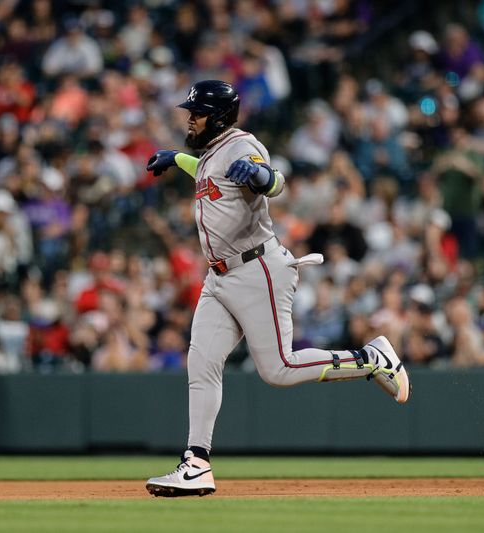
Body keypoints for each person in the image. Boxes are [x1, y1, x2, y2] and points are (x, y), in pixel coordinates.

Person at [143, 80, 411, 497]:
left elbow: (274, 182)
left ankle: (370, 357)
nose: (188, 118)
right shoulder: (212, 152)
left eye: (195, 113)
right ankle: (196, 463)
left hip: (257, 269)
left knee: (279, 369)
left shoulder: (242, 145)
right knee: (202, 364)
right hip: (220, 277)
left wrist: (262, 175)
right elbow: (211, 175)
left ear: (216, 118)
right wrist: (178, 159)